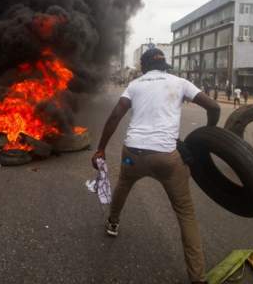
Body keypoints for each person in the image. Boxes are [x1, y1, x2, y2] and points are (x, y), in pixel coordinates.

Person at [91, 48, 220, 284]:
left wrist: (100, 149)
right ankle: (197, 277)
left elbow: (115, 116)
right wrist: (210, 134)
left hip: (133, 153)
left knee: (124, 183)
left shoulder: (135, 85)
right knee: (185, 213)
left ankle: (113, 222)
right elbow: (214, 107)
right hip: (165, 159)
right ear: (165, 65)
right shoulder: (180, 82)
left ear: (144, 66)